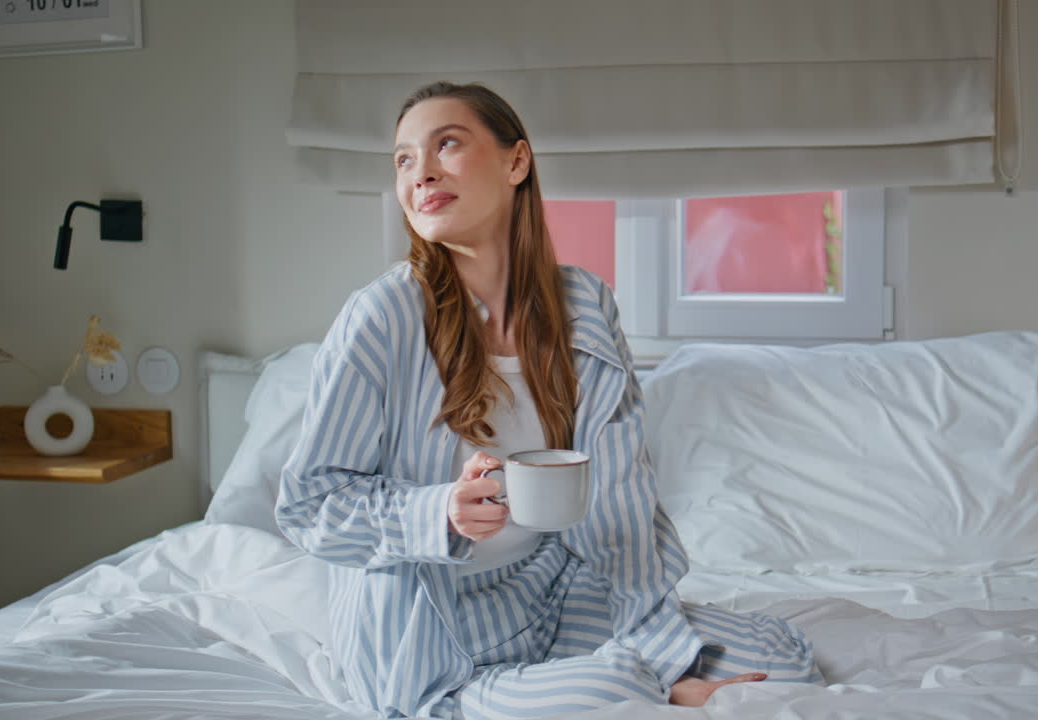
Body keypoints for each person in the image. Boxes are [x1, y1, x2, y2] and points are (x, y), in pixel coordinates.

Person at [276, 81, 822, 720]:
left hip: (550, 589)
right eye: (402, 159)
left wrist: (669, 660)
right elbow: (308, 504)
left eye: (446, 144)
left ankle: (620, 673)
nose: (420, 172)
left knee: (783, 662)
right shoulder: (382, 317)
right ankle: (562, 687)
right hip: (432, 618)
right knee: (609, 693)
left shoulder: (584, 304)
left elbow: (620, 498)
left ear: (516, 161)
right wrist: (438, 510)